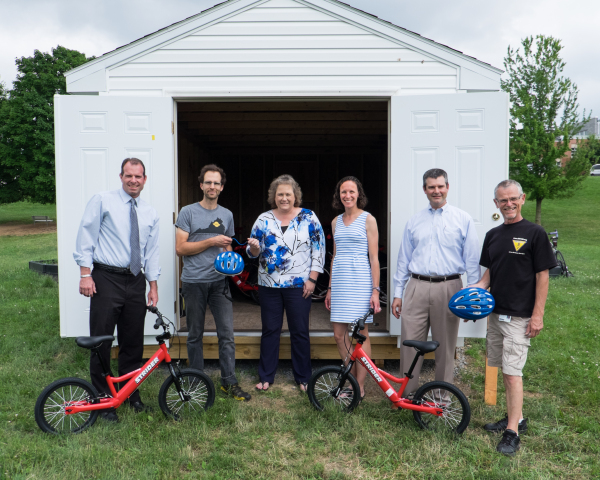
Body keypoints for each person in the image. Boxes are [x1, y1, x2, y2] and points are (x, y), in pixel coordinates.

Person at [470, 179, 555, 455]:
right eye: (502, 200)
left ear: (523, 199)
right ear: (496, 203)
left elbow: (543, 276)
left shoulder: (535, 233)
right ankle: (515, 418)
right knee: (500, 368)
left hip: (520, 316)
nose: (508, 204)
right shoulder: (493, 235)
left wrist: (537, 315)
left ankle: (512, 433)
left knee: (512, 372)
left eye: (512, 199)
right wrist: (473, 292)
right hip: (496, 314)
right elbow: (489, 275)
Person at [74, 158, 159, 422]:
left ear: (145, 179)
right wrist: (85, 275)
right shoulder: (102, 200)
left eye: (138, 176)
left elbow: (151, 253)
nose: (133, 180)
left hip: (135, 280)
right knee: (101, 340)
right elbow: (86, 236)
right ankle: (102, 401)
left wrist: (152, 286)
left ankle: (130, 395)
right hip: (105, 278)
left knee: (132, 342)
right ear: (121, 176)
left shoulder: (149, 212)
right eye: (129, 175)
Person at [391, 168, 480, 398]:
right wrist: (398, 293)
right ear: (424, 190)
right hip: (416, 286)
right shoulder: (414, 221)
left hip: (449, 287)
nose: (436, 190)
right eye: (431, 187)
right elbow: (404, 259)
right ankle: (406, 395)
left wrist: (473, 294)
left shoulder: (463, 219)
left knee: (445, 345)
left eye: (440, 186)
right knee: (410, 344)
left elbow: (472, 260)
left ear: (447, 187)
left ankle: (442, 397)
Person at [175, 164, 251, 402]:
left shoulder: (226, 215)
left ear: (221, 187)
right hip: (194, 281)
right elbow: (180, 248)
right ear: (201, 185)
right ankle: (196, 382)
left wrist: (233, 261)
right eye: (208, 182)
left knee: (227, 334)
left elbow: (226, 246)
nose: (212, 186)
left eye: (216, 183)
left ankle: (229, 382)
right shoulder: (187, 212)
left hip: (219, 283)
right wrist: (210, 241)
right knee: (194, 334)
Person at [247, 175, 325, 392]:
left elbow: (319, 251)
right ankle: (265, 376)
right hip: (268, 285)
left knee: (299, 331)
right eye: (279, 194)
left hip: (300, 285)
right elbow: (252, 252)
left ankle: (303, 377)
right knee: (270, 330)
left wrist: (312, 279)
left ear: (295, 196)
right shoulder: (263, 219)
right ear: (274, 196)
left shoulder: (309, 217)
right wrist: (254, 248)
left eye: (288, 194)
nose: (284, 198)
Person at [325, 176, 381, 399]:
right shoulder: (335, 221)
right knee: (339, 335)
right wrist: (329, 288)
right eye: (343, 192)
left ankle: (358, 385)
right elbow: (335, 255)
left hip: (360, 282)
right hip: (340, 282)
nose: (347, 196)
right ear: (339, 195)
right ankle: (351, 377)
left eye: (351, 192)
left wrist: (375, 290)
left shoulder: (368, 219)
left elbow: (374, 258)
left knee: (361, 335)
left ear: (359, 194)